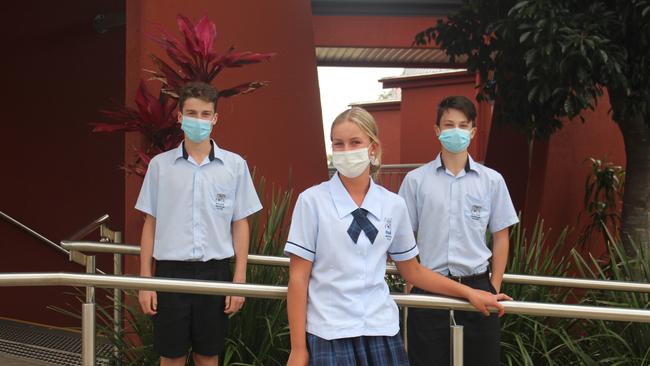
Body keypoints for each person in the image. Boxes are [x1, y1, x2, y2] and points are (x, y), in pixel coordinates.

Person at [285, 107, 511, 366]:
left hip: (381, 330)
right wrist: (298, 348)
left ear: (372, 147)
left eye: (355, 142)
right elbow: (298, 278)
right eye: (339, 144)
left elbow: (413, 270)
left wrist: (469, 293)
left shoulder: (392, 204)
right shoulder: (312, 202)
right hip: (329, 332)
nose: (346, 150)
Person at [135, 81, 262, 366]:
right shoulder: (160, 166)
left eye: (205, 114)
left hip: (215, 273)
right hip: (170, 273)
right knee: (171, 357)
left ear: (215, 118)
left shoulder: (234, 166)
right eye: (191, 113)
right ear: (179, 117)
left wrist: (238, 280)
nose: (199, 120)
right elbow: (150, 223)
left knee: (208, 356)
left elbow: (241, 223)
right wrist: (145, 281)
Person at [398, 95, 519, 366]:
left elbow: (501, 237)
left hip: (478, 288)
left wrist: (494, 285)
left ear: (473, 131)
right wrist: (412, 281)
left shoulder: (492, 181)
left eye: (463, 125)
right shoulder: (416, 181)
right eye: (449, 124)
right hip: (429, 289)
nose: (456, 131)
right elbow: (403, 237)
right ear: (437, 131)